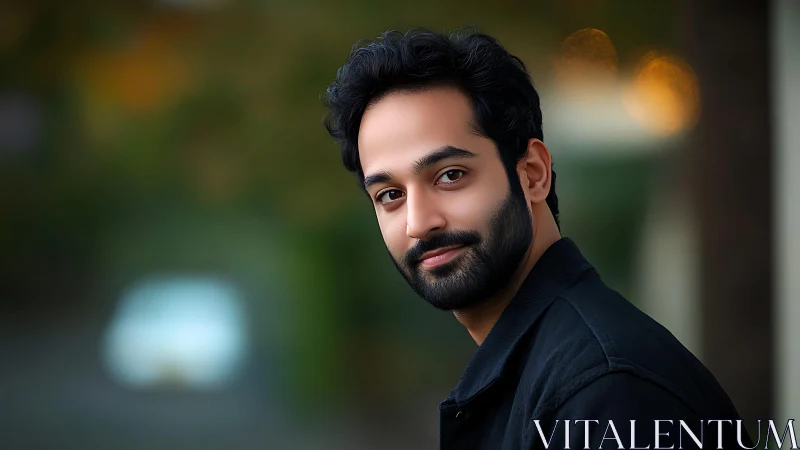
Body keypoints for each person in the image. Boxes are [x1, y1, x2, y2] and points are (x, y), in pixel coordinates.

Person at [322, 28, 751, 450]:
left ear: (533, 175)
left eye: (450, 175)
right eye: (390, 195)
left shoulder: (605, 392)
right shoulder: (550, 375)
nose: (419, 223)